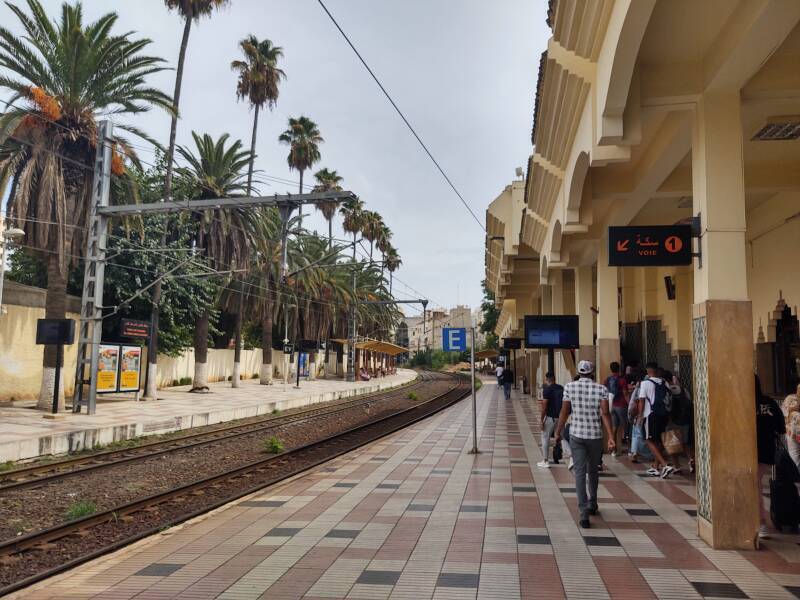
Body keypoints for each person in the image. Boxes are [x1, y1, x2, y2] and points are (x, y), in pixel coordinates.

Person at [555, 360, 615, 529]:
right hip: (595, 436)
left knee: (580, 473)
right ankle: (593, 503)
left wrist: (558, 431)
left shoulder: (569, 387)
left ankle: (583, 515)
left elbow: (565, 411)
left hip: (577, 435)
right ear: (592, 372)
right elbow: (605, 414)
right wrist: (611, 436)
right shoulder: (601, 389)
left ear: (579, 372)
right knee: (593, 470)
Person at [755, 374, 786, 539]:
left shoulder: (741, 403)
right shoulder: (770, 403)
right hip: (766, 451)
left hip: (747, 451)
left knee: (754, 486)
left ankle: (761, 522)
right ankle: (759, 522)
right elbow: (781, 429)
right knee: (756, 485)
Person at [637, 362, 677, 478]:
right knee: (658, 441)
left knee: (648, 440)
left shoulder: (645, 383)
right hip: (663, 415)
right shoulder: (664, 382)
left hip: (650, 415)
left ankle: (665, 465)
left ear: (648, 371)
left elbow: (641, 401)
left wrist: (640, 416)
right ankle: (655, 466)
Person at [666, 371, 695, 473]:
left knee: (672, 444)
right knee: (685, 443)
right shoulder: (684, 391)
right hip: (685, 421)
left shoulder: (668, 391)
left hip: (672, 421)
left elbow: (667, 406)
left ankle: (677, 466)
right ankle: (691, 459)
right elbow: (690, 402)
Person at [538, 372, 563, 468]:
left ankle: (545, 460)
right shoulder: (561, 388)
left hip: (550, 418)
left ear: (546, 379)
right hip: (560, 417)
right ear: (554, 378)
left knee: (545, 437)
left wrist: (541, 420)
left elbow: (544, 406)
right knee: (562, 437)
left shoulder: (547, 390)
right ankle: (572, 457)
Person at [604, 362, 628, 457]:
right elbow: (625, 393)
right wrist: (630, 404)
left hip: (611, 406)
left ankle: (614, 449)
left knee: (614, 428)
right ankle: (630, 449)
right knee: (626, 427)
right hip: (621, 405)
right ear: (619, 369)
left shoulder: (607, 380)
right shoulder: (622, 380)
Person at [782, 385, 800, 469]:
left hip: (791, 434)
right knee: (795, 459)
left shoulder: (789, 398)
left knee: (794, 460)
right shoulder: (790, 399)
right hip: (793, 434)